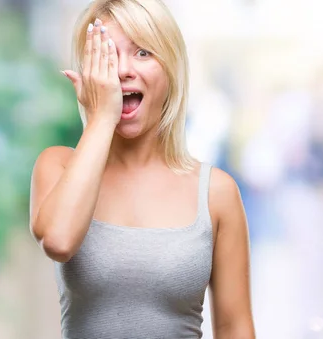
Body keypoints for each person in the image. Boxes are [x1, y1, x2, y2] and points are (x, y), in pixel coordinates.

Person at [28, 1, 255, 338]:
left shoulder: (216, 192)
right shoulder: (57, 166)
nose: (122, 70)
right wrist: (102, 117)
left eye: (143, 53)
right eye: (106, 55)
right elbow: (58, 241)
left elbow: (234, 327)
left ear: (171, 68)